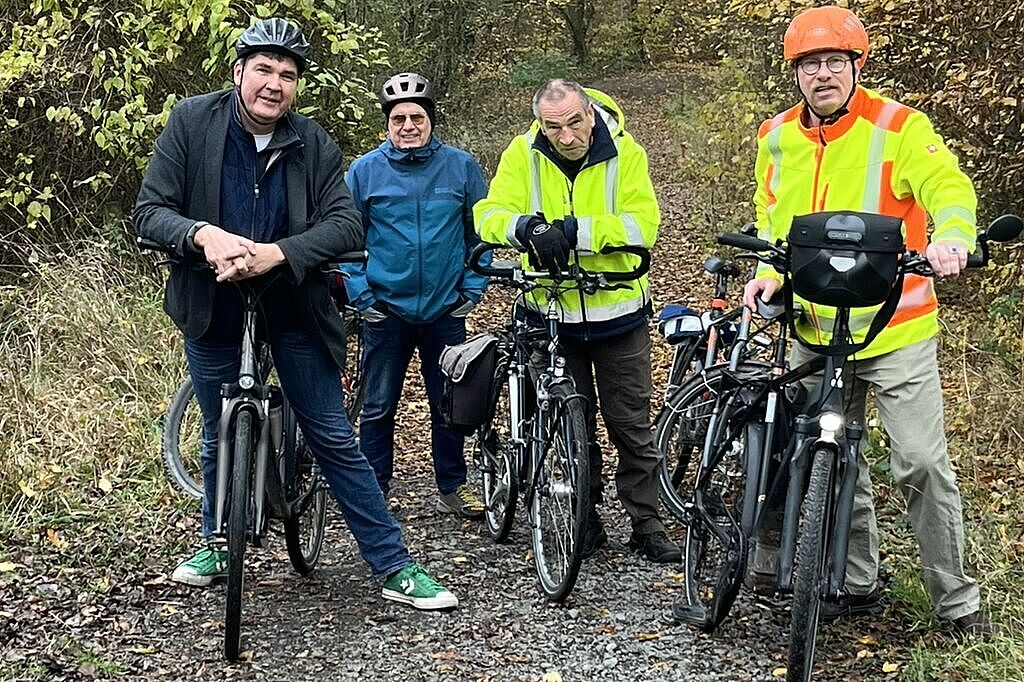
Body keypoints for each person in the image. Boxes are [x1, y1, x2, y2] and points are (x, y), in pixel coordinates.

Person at [133, 18, 457, 611]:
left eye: (286, 74)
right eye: (263, 69)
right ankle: (217, 542)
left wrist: (278, 253)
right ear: (239, 72)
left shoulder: (313, 142)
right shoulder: (191, 123)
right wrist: (204, 235)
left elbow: (346, 224)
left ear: (296, 86)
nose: (274, 84)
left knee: (332, 434)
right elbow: (151, 212)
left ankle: (393, 565)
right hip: (211, 302)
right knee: (218, 427)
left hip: (293, 305)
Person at [741, 6, 989, 635]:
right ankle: (856, 580)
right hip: (813, 330)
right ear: (795, 72)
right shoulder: (777, 135)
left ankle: (957, 602)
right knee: (826, 454)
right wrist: (770, 271)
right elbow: (772, 214)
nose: (822, 74)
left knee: (920, 462)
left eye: (834, 61)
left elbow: (947, 185)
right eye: (809, 64)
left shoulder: (899, 128)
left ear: (857, 65)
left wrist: (952, 236)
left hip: (894, 328)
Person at [474, 79, 681, 563]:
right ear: (540, 125)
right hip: (549, 312)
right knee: (570, 422)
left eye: (574, 123)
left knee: (630, 424)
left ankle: (646, 522)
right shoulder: (522, 154)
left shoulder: (625, 153)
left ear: (590, 114)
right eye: (554, 128)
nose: (566, 137)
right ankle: (583, 518)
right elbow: (487, 214)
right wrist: (526, 227)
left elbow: (643, 224)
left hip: (618, 313)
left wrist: (574, 232)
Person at [343, 73, 488, 519]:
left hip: (445, 308)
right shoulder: (365, 171)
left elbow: (481, 232)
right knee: (378, 404)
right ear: (387, 123)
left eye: (417, 117)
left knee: (449, 402)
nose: (408, 126)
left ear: (431, 120)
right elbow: (345, 239)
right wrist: (362, 294)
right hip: (386, 309)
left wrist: (472, 288)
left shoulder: (461, 167)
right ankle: (374, 489)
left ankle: (453, 485)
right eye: (399, 118)